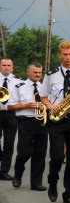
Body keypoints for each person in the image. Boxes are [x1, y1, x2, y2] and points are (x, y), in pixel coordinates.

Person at [39, 40, 70, 203]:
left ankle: (69, 195)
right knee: (57, 156)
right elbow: (43, 96)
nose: (67, 58)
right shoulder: (51, 75)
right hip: (56, 119)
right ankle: (52, 181)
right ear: (59, 55)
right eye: (65, 54)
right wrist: (51, 105)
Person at [8, 63, 48, 191]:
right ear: (28, 73)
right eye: (35, 72)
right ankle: (18, 174)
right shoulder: (19, 87)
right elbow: (10, 106)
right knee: (25, 152)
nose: (37, 75)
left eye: (39, 73)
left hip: (41, 122)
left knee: (40, 153)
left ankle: (36, 183)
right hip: (25, 121)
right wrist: (26, 106)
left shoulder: (44, 88)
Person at [0, 58, 21, 180]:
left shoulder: (18, 81)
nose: (6, 67)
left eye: (8, 65)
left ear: (12, 67)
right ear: (0, 67)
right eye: (4, 65)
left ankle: (4, 171)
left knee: (9, 143)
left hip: (11, 114)